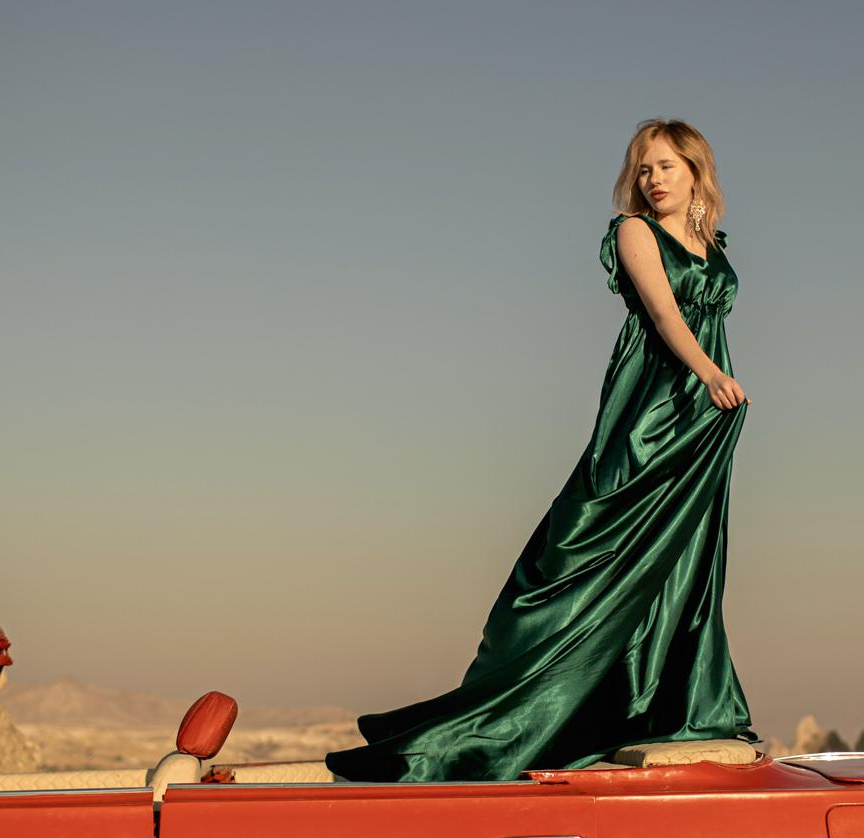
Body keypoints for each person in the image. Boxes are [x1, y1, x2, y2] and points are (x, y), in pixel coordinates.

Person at [324, 118, 756, 782]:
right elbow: (667, 316)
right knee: (588, 539)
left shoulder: (711, 241)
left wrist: (714, 386)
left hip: (705, 412)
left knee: (688, 554)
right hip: (655, 405)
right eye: (643, 168)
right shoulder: (633, 231)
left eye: (666, 166)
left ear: (697, 171)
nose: (652, 179)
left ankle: (669, 700)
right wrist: (710, 372)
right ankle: (513, 708)